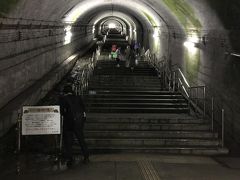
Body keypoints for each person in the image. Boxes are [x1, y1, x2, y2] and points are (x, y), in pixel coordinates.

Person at [59, 85, 89, 167]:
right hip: (79, 122)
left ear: (65, 92)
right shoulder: (78, 97)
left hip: (69, 122)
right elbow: (83, 108)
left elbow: (61, 111)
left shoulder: (63, 99)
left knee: (68, 141)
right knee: (81, 139)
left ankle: (70, 158)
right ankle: (86, 156)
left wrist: (66, 115)